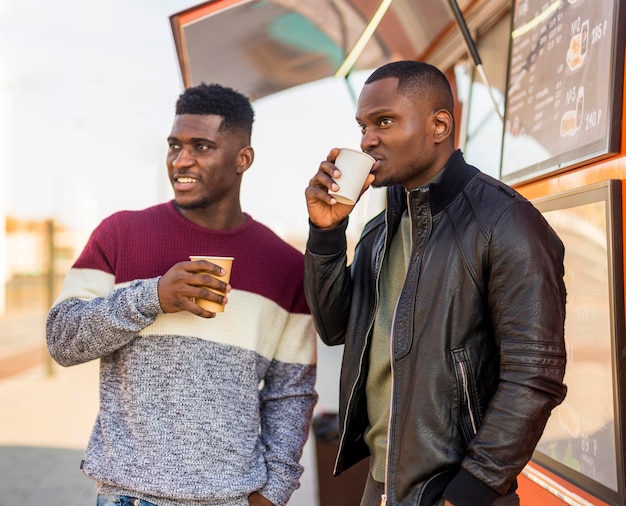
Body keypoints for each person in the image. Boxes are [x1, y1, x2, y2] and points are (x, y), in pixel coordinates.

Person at [303, 60, 567, 506]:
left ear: (439, 124)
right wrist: (326, 232)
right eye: (363, 126)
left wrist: (470, 490)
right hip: (381, 484)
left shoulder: (506, 222)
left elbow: (535, 374)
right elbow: (334, 329)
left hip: (456, 492)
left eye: (384, 121)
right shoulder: (379, 227)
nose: (367, 140)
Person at [46, 83, 317, 506]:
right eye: (174, 145)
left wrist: (273, 493)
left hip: (232, 499)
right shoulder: (120, 234)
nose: (181, 160)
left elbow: (291, 392)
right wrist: (152, 297)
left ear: (243, 158)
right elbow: (62, 340)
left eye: (201, 146)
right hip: (129, 498)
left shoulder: (285, 266)